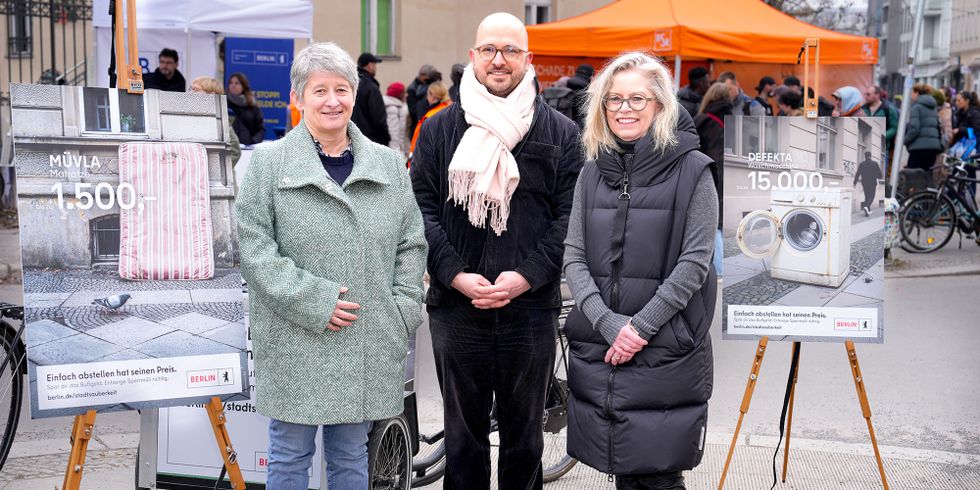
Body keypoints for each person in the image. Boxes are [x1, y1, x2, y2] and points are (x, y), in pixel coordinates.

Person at [236, 42, 427, 490]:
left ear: (355, 95)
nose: (332, 100)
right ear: (299, 98)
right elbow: (255, 250)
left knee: (351, 459)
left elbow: (411, 242)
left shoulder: (387, 164)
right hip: (296, 341)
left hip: (368, 338)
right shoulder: (268, 164)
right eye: (319, 90)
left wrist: (402, 311)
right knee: (288, 457)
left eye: (341, 89)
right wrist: (316, 302)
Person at [410, 12, 582, 489]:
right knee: (463, 441)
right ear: (473, 57)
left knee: (525, 439)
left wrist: (526, 276)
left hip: (530, 308)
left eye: (509, 50)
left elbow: (570, 219)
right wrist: (455, 274)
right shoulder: (439, 128)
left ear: (528, 59)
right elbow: (419, 208)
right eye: (489, 50)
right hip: (456, 307)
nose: (498, 60)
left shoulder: (561, 134)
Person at [563, 50, 717, 489]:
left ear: (660, 105)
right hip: (604, 344)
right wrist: (607, 323)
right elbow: (573, 253)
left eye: (637, 99)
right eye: (614, 99)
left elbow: (695, 261)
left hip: (664, 345)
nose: (624, 109)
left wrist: (640, 328)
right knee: (625, 469)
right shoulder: (592, 171)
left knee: (660, 476)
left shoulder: (693, 170)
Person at [694, 82, 732, 275]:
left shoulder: (702, 120)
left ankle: (718, 270)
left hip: (709, 175)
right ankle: (724, 266)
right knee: (723, 221)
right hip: (730, 175)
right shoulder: (736, 118)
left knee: (712, 223)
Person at [189, 76, 241, 167]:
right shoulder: (190, 117)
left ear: (211, 95)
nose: (190, 93)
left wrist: (216, 171)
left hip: (216, 179)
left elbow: (235, 152)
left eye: (196, 90)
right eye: (190, 89)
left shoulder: (221, 121)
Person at [351, 52, 391, 146]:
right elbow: (379, 118)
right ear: (370, 65)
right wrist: (386, 138)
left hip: (353, 138)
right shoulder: (371, 87)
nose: (375, 67)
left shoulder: (352, 84)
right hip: (371, 140)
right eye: (375, 64)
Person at [407, 81, 452, 165]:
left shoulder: (430, 117)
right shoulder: (449, 111)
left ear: (432, 96)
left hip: (426, 162)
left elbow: (420, 143)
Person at [904, 83, 943, 172]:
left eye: (912, 93)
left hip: (918, 148)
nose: (911, 96)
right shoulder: (933, 107)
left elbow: (914, 128)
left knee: (913, 177)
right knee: (927, 176)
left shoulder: (916, 107)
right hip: (933, 148)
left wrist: (905, 141)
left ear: (917, 93)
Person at [862, 85, 900, 165]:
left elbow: (894, 128)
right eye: (865, 94)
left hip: (882, 148)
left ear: (877, 95)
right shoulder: (863, 109)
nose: (865, 97)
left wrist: (882, 136)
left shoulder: (888, 109)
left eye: (868, 94)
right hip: (864, 146)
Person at [227, 72, 266, 145]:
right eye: (231, 83)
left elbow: (260, 129)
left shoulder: (252, 105)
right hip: (229, 147)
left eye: (237, 83)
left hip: (247, 148)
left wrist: (253, 141)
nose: (233, 85)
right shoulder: (224, 103)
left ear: (243, 86)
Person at [384, 82, 409, 158]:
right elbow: (393, 131)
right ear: (399, 94)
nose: (406, 95)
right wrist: (397, 151)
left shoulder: (398, 106)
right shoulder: (393, 108)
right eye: (404, 92)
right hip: (395, 150)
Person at [854, 151, 882, 216]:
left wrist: (855, 182)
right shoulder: (875, 163)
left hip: (864, 183)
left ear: (865, 156)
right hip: (872, 183)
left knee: (867, 196)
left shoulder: (862, 164)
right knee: (872, 196)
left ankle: (867, 211)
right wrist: (877, 176)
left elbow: (857, 174)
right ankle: (867, 207)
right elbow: (880, 175)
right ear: (870, 156)